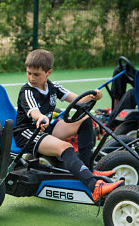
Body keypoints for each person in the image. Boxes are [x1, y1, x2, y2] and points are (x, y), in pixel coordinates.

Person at [13, 49, 124, 202]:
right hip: (27, 133)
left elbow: (78, 100)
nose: (31, 78)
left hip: (48, 129)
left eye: (36, 74)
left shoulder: (53, 87)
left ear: (48, 72)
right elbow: (34, 112)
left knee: (85, 120)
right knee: (66, 148)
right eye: (28, 73)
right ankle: (94, 186)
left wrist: (93, 96)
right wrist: (41, 118)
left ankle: (88, 169)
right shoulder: (27, 91)